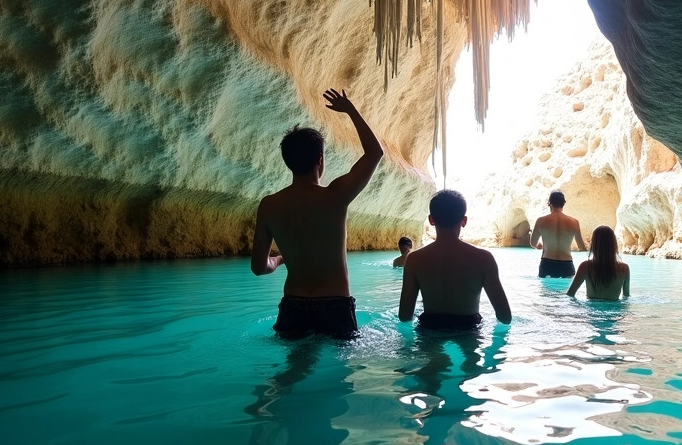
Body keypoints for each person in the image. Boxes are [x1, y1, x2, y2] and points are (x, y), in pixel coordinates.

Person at [251, 88, 384, 339]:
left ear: (288, 162)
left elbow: (259, 267)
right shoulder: (335, 196)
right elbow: (375, 153)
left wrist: (278, 259)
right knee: (336, 376)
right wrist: (351, 111)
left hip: (293, 305)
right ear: (320, 161)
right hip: (335, 305)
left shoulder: (269, 205)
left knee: (293, 370)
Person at [399, 190, 511, 331]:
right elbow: (505, 317)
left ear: (431, 219)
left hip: (429, 329)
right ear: (464, 221)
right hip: (469, 330)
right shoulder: (484, 258)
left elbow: (404, 316)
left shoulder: (414, 259)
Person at [529, 190, 586, 277]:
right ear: (564, 203)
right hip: (566, 264)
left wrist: (538, 246)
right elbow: (581, 247)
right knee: (565, 290)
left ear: (549, 203)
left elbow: (533, 243)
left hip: (547, 263)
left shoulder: (541, 221)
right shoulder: (574, 222)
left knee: (545, 291)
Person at [567, 226, 631, 300]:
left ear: (593, 245)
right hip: (615, 308)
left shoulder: (585, 266)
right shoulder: (624, 268)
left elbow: (570, 294)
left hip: (592, 309)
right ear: (614, 244)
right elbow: (626, 296)